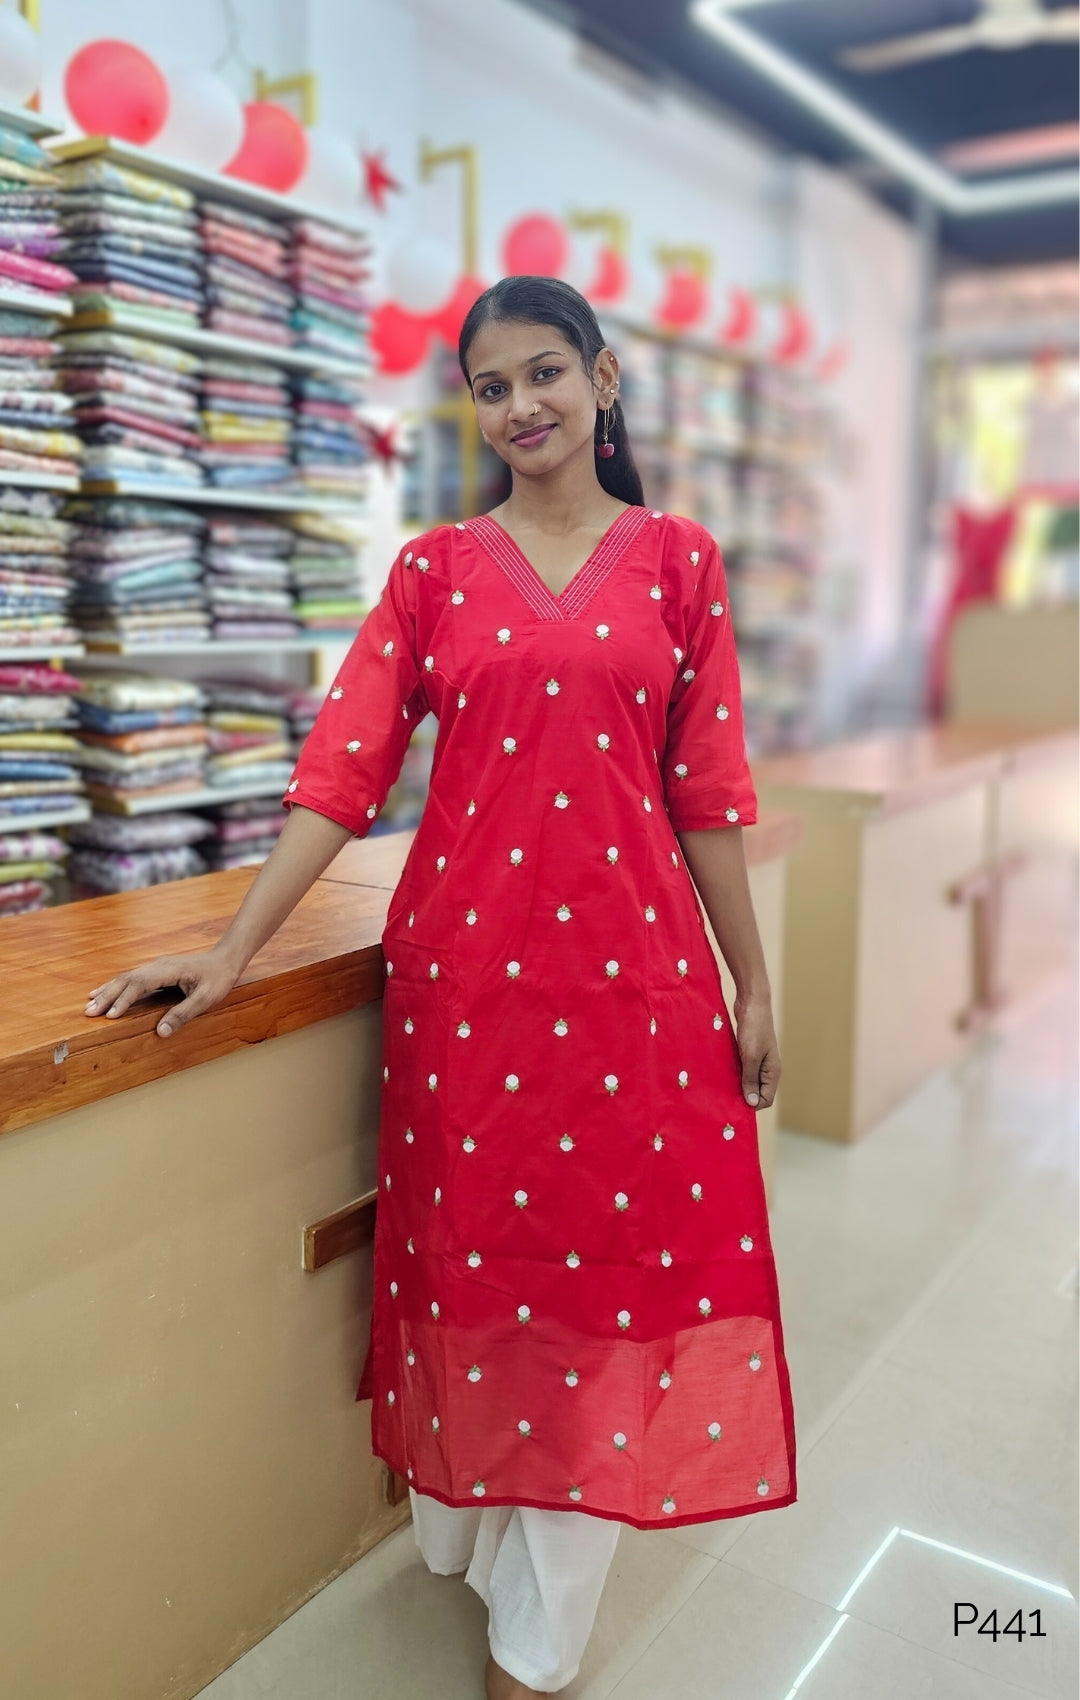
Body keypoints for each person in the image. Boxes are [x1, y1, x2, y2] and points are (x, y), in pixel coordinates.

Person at [84, 276, 798, 1699]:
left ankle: (545, 1627)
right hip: (468, 990)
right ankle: (477, 1531)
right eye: (491, 386)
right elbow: (339, 775)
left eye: (545, 374)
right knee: (480, 1265)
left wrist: (751, 978)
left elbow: (708, 792)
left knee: (606, 1282)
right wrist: (234, 951)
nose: (519, 406)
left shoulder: (679, 564)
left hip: (632, 987)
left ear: (602, 382)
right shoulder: (432, 573)